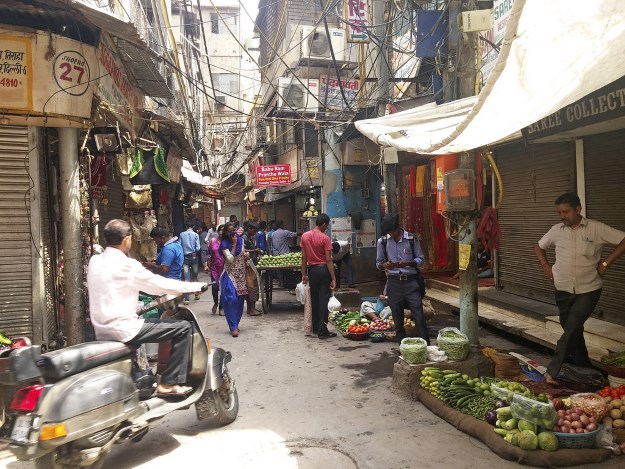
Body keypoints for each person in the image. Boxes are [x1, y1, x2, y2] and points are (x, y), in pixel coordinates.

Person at [87, 219, 206, 398]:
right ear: (127, 239)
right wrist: (193, 287)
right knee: (183, 328)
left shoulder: (95, 261)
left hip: (100, 329)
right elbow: (156, 285)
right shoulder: (127, 265)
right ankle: (168, 383)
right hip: (124, 329)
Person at [535, 192, 625, 384]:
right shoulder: (556, 230)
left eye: (565, 212)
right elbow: (539, 247)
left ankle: (552, 371)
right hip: (562, 289)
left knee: (571, 328)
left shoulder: (596, 228)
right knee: (573, 331)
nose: (562, 216)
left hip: (588, 289)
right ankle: (586, 372)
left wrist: (606, 263)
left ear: (578, 209)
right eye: (559, 212)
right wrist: (545, 266)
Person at [376, 214, 429, 346]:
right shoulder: (382, 242)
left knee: (419, 315)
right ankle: (403, 347)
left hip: (411, 282)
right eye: (388, 233)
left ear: (397, 229)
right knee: (397, 319)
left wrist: (408, 263)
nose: (391, 235)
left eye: (392, 232)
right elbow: (378, 263)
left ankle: (426, 345)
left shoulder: (411, 239)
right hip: (394, 283)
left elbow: (421, 259)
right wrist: (385, 265)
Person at [300, 213, 337, 339]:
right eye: (327, 225)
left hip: (312, 270)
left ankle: (315, 327)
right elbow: (328, 260)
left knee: (314, 299)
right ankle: (322, 329)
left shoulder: (305, 236)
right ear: (324, 224)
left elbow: (304, 257)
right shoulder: (325, 238)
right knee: (323, 300)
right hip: (323, 270)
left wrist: (304, 273)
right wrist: (333, 277)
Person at [220, 222, 249, 337]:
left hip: (241, 274)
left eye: (234, 230)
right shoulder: (224, 244)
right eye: (229, 231)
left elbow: (243, 252)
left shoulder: (241, 240)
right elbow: (230, 259)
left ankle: (236, 323)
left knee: (240, 301)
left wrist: (246, 255)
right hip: (230, 274)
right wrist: (233, 245)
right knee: (230, 299)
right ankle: (233, 327)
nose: (232, 233)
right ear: (226, 233)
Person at [205, 224, 225, 316]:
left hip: (225, 268)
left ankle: (221, 307)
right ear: (218, 231)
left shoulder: (227, 242)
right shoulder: (213, 241)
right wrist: (206, 264)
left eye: (223, 230)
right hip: (214, 268)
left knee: (224, 288)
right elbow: (208, 253)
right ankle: (216, 302)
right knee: (215, 286)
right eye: (220, 230)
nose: (221, 232)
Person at [179, 220, 201, 304]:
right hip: (194, 256)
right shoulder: (195, 235)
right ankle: (196, 294)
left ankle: (187, 298)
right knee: (195, 276)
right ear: (193, 226)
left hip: (185, 258)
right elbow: (198, 248)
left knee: (186, 277)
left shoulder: (182, 234)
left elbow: (180, 246)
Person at [243, 222, 261, 316]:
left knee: (251, 287)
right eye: (253, 231)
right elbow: (243, 250)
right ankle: (252, 309)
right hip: (248, 266)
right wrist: (254, 250)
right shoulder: (244, 238)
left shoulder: (249, 237)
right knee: (252, 287)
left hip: (251, 264)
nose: (254, 233)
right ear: (249, 228)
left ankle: (250, 309)